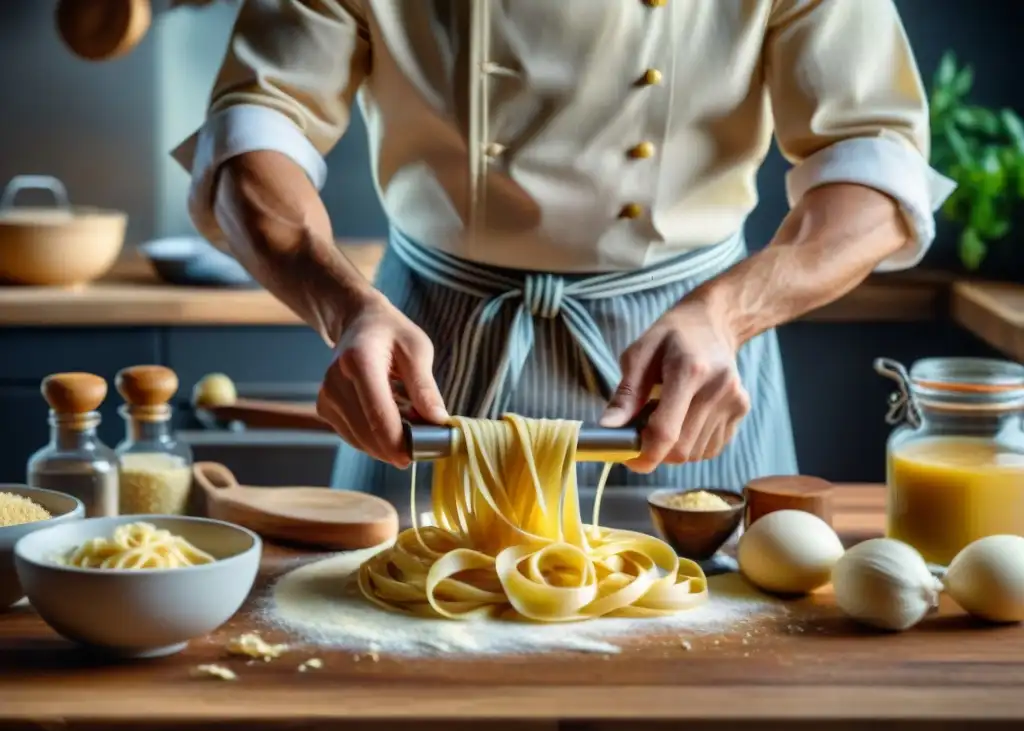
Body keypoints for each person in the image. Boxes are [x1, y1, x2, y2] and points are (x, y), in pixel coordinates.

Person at [173, 0, 954, 495]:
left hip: (692, 361)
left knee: (715, 672)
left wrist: (729, 315)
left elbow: (876, 166)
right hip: (424, 350)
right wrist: (343, 309)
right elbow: (254, 131)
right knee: (393, 666)